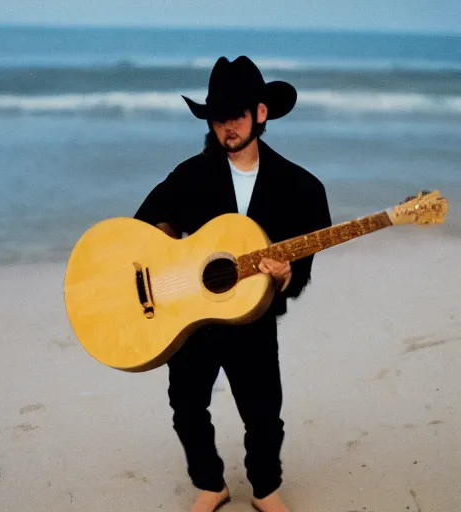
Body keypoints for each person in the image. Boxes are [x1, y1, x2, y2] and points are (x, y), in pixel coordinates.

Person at [134, 56, 332, 512]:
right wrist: (169, 248)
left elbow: (302, 268)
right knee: (186, 406)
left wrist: (286, 276)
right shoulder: (191, 175)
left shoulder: (300, 189)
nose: (227, 128)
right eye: (218, 118)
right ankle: (211, 484)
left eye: (236, 117)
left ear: (261, 114)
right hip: (190, 314)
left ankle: (264, 490)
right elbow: (143, 225)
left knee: (264, 414)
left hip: (253, 320)